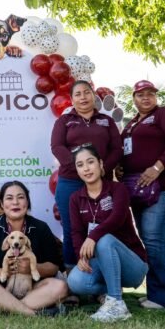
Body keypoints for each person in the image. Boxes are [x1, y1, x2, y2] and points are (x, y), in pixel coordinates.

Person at [120, 80, 165, 309]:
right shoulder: (131, 124)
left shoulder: (164, 115)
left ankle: (162, 298)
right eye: (140, 95)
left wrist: (157, 167)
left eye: (150, 94)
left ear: (156, 97)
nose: (146, 98)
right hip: (139, 190)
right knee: (150, 240)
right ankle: (162, 291)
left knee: (154, 240)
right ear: (134, 99)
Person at [66, 145, 148, 322]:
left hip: (133, 265)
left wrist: (93, 236)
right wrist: (81, 256)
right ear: (77, 170)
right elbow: (76, 232)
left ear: (100, 164)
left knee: (104, 240)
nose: (86, 168)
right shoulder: (75, 198)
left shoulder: (117, 189)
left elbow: (117, 219)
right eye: (80, 165)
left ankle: (117, 304)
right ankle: (110, 292)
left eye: (90, 162)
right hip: (102, 263)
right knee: (75, 282)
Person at [0, 181, 68, 316]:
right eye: (9, 198)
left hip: (31, 290)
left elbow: (53, 267)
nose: (15, 202)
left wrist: (31, 268)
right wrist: (5, 271)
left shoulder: (41, 228)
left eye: (21, 197)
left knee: (60, 287)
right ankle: (33, 314)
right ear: (2, 204)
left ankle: (3, 309)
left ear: (28, 203)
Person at [51, 80, 122, 270]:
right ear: (72, 99)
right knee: (72, 229)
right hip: (70, 183)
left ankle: (102, 277)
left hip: (102, 183)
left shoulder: (107, 121)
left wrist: (102, 170)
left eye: (86, 93)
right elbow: (57, 147)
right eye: (78, 94)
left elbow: (116, 149)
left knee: (102, 229)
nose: (83, 97)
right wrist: (81, 168)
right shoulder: (64, 121)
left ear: (93, 96)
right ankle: (74, 280)